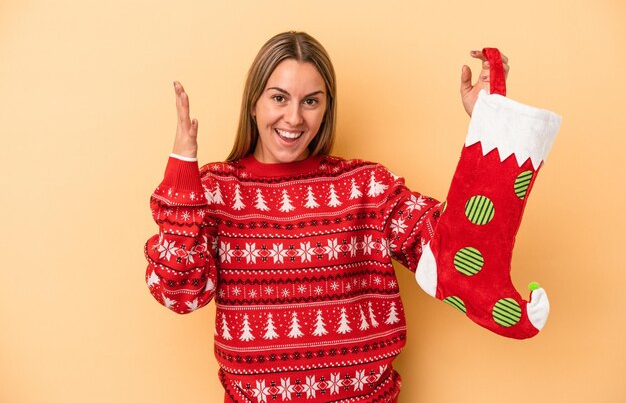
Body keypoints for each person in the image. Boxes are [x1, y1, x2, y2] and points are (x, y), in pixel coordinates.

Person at [144, 31, 561, 402]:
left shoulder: (366, 186)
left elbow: (447, 251)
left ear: (326, 108)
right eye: (278, 97)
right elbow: (179, 292)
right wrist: (183, 172)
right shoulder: (216, 190)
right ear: (253, 102)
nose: (293, 118)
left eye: (311, 101)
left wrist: (491, 123)